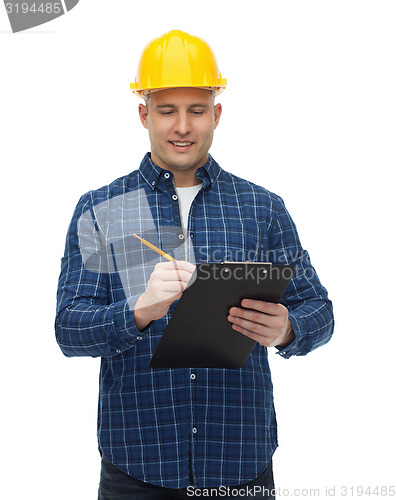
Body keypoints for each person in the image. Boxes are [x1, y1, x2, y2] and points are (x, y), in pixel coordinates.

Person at [55, 30, 334, 499]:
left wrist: (287, 330)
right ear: (144, 114)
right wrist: (139, 311)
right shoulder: (103, 208)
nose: (182, 126)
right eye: (167, 110)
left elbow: (319, 311)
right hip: (137, 464)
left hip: (239, 461)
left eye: (196, 110)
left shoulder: (262, 209)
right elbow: (69, 329)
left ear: (216, 115)